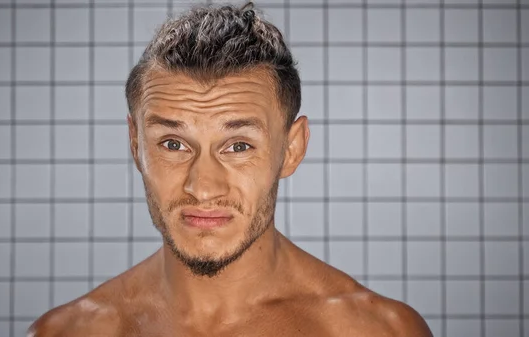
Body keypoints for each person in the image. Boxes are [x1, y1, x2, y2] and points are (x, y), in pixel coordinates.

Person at [29, 2, 432, 336]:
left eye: (238, 146)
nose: (202, 187)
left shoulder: (376, 330)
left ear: (291, 149)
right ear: (136, 145)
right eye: (173, 144)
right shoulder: (67, 332)